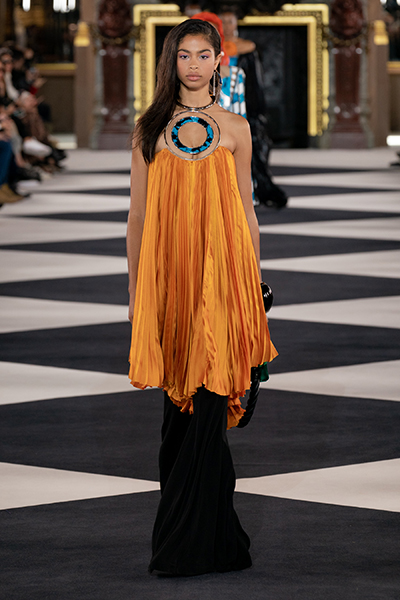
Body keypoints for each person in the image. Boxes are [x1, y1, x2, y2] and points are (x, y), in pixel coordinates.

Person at [127, 19, 277, 576]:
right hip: (170, 283)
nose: (193, 64)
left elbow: (246, 212)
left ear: (219, 60)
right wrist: (135, 292)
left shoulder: (236, 128)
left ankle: (188, 544)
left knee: (212, 403)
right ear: (172, 61)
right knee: (178, 409)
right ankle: (215, 540)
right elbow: (137, 217)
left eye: (202, 54)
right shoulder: (150, 128)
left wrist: (254, 286)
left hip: (225, 281)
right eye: (183, 54)